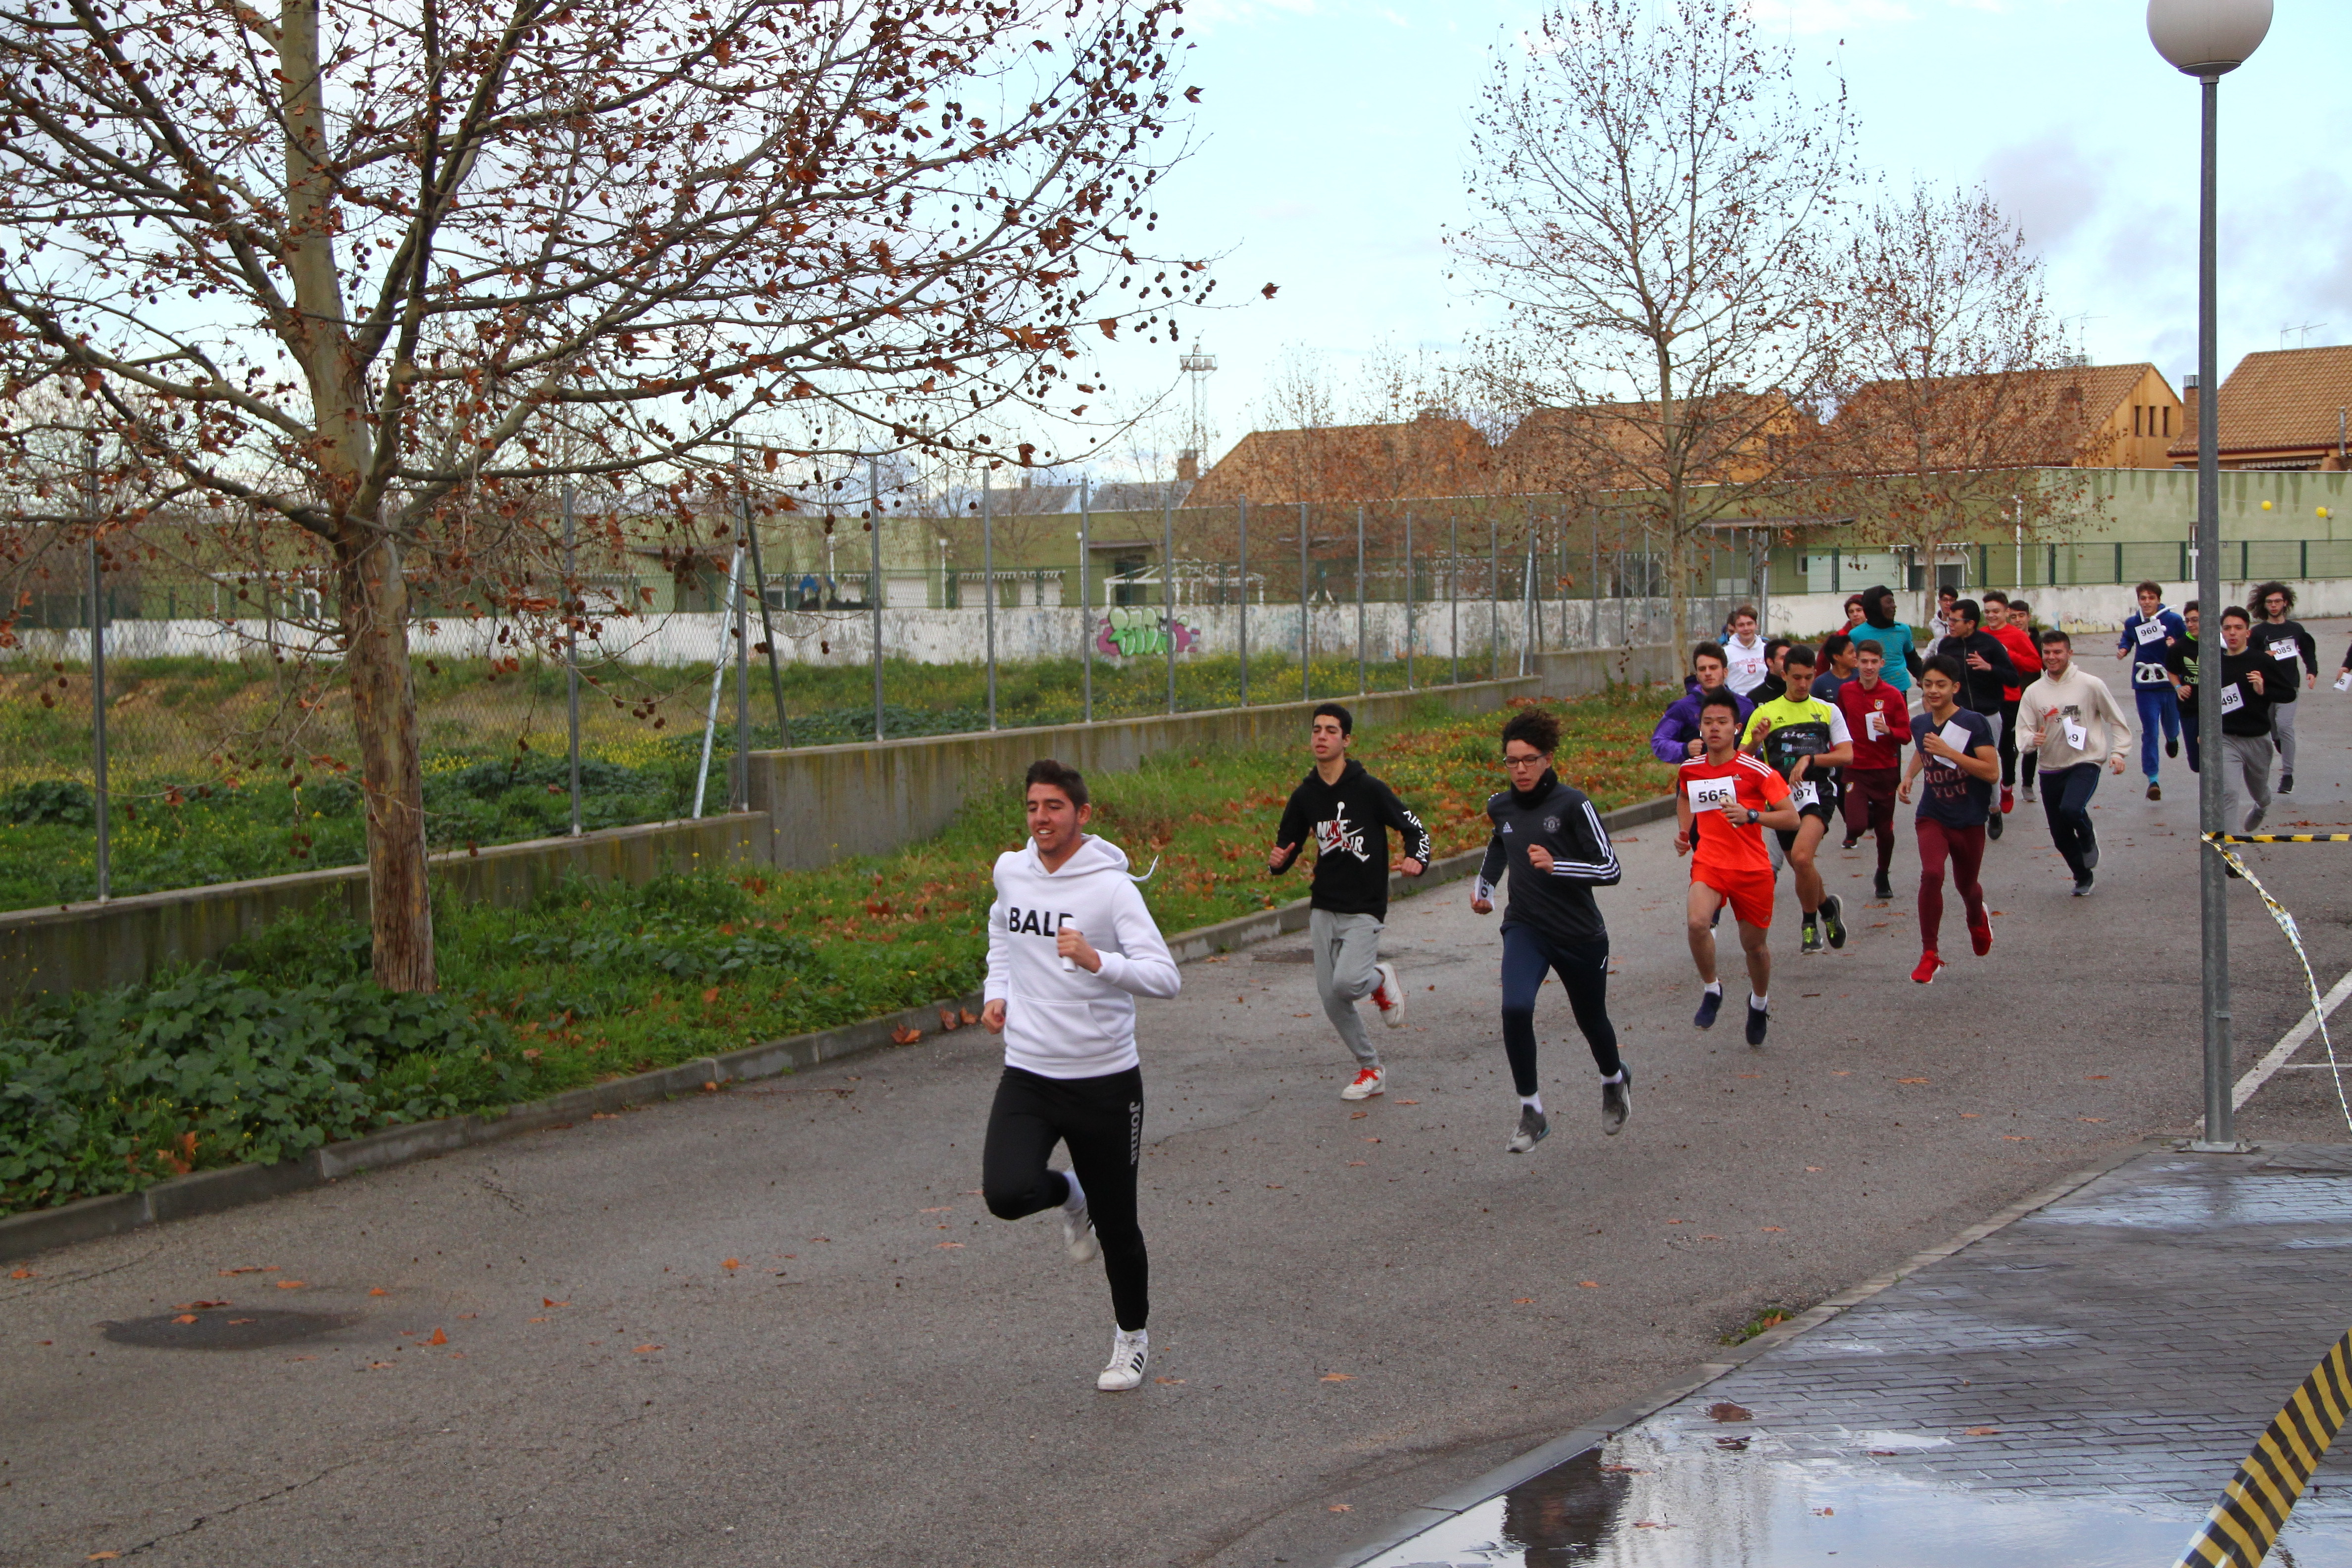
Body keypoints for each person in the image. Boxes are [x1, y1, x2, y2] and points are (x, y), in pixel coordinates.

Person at [982, 760, 1181, 1392]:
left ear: (1082, 814)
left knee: (1119, 1227)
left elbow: (1165, 977)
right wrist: (996, 991)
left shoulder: (1112, 889)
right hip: (1029, 1073)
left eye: (1055, 807)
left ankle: (1132, 1338)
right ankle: (1072, 1196)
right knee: (1006, 1194)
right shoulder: (1011, 871)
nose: (1041, 818)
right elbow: (1000, 929)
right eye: (1033, 807)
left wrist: (1100, 962)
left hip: (1104, 1082)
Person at [1470, 708, 1630, 1152]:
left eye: (1529, 760)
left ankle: (1614, 1079)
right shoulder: (1500, 806)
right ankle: (1532, 1110)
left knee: (1591, 1020)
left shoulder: (1574, 804)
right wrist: (1485, 887)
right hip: (1526, 927)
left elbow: (1611, 868)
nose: (1520, 769)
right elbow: (1501, 842)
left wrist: (1559, 866)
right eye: (1512, 761)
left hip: (1579, 933)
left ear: (1548, 759)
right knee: (1516, 1008)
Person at [1268, 702, 1431, 1100]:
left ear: (1346, 740)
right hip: (1324, 905)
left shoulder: (1369, 789)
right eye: (1316, 730)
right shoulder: (1305, 796)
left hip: (1364, 905)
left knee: (1348, 982)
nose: (1322, 737)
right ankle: (1371, 1068)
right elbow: (1287, 846)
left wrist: (1417, 858)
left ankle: (1380, 978)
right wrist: (1278, 862)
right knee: (1331, 997)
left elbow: (1415, 829)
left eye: (1331, 730)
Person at [1675, 688, 1799, 1045]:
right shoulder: (1691, 769)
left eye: (1722, 722)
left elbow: (1791, 818)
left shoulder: (1756, 770)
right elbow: (1684, 796)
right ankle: (1712, 989)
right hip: (1710, 863)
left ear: (1737, 728)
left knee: (1754, 948)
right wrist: (1684, 832)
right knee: (1698, 923)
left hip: (1751, 870)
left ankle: (1759, 1003)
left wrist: (1752, 815)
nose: (1714, 728)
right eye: (1708, 722)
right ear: (1700, 727)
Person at [1743, 644, 1854, 956]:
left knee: (1803, 859)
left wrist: (1811, 759)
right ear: (1784, 675)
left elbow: (1847, 754)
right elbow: (1740, 761)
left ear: (1814, 675)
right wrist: (1756, 741)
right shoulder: (1764, 713)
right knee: (1801, 867)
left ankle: (1809, 925)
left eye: (1808, 677)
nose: (1803, 684)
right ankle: (1827, 908)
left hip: (1818, 793)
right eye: (1796, 678)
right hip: (1781, 800)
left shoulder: (1827, 710)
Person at [1899, 655, 1999, 983]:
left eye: (1941, 685)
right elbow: (1923, 749)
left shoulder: (1974, 723)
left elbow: (1992, 772)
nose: (1933, 691)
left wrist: (1950, 752)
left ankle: (1976, 917)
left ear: (1955, 687)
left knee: (1967, 886)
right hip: (1934, 814)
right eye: (1928, 684)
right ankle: (1930, 954)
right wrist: (1909, 776)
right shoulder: (1920, 723)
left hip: (1969, 817)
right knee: (1931, 874)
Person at [2013, 630, 2132, 895]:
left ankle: (2087, 835)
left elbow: (2116, 719)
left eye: (2058, 652)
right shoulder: (2034, 692)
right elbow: (2023, 731)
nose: (2052, 657)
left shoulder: (2090, 685)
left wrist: (2119, 753)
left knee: (2071, 808)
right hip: (2051, 767)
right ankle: (2083, 876)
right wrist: (2033, 739)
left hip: (2085, 760)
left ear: (2070, 653)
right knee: (2060, 834)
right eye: (2047, 652)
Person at [1930, 599, 2017, 839]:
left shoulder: (1989, 644)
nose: (1950, 624)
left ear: (1970, 623)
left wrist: (1990, 668)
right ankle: (1961, 812)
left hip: (1988, 715)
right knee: (1954, 763)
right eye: (1949, 619)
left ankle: (1994, 809)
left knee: (1986, 765)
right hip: (1957, 715)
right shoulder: (1946, 645)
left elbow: (2012, 678)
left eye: (1955, 620)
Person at [1833, 639, 1912, 900]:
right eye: (1864, 661)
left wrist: (1889, 730)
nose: (1869, 667)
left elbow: (1906, 735)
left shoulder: (1892, 695)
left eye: (1874, 662)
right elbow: (1838, 724)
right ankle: (1863, 808)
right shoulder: (1846, 691)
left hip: (1884, 770)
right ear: (1856, 662)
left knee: (1885, 831)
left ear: (1882, 664)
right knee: (1856, 825)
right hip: (1855, 768)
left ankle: (1883, 873)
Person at [2115, 581, 2187, 801]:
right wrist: (2124, 648)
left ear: (2158, 600)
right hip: (2145, 684)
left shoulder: (2173, 620)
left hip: (2170, 682)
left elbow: (2188, 641)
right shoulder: (2134, 622)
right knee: (2150, 731)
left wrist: (2176, 644)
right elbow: (2128, 636)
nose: (2147, 602)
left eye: (2151, 598)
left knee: (2171, 725)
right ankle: (2153, 779)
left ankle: (2173, 738)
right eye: (2143, 598)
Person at [2213, 607, 2279, 836]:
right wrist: (2203, 731)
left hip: (2257, 738)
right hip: (2227, 738)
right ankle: (2231, 850)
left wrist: (2263, 689)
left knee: (2259, 790)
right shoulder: (2215, 664)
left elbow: (2288, 693)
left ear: (2248, 633)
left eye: (2238, 628)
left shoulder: (2261, 660)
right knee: (2229, 793)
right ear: (2222, 633)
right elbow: (2204, 701)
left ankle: (2263, 805)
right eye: (2228, 628)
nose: (2233, 633)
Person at [2251, 582, 2319, 795]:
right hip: (2265, 688)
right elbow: (2248, 657)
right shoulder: (2258, 632)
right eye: (2269, 602)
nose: (2274, 605)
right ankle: (2278, 739)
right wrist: (2263, 656)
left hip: (2289, 685)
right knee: (2272, 727)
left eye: (2278, 601)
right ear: (2264, 605)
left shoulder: (2295, 629)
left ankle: (2288, 776)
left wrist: (2312, 670)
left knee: (2284, 725)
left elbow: (2308, 649)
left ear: (2286, 603)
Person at [1982, 591, 2043, 818]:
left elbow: (2035, 663)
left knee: (2006, 748)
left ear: (2006, 612)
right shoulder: (1981, 635)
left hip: (2009, 698)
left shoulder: (2016, 636)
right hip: (1983, 698)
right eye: (1987, 612)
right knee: (1980, 747)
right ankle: (1984, 794)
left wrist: (2010, 654)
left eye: (1996, 611)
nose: (1991, 616)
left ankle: (2007, 785)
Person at [1650, 642, 1755, 764]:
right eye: (1702, 669)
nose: (1708, 673)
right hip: (1696, 773)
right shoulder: (1682, 708)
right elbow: (1659, 742)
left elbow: (1758, 744)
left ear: (1725, 672)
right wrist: (1685, 749)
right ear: (1697, 675)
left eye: (1713, 668)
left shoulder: (1745, 706)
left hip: (1737, 772)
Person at [1848, 585, 1922, 695]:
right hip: (1870, 690)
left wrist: (1922, 677)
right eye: (1889, 602)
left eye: (1894, 602)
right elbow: (1850, 665)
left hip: (1899, 690)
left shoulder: (1903, 630)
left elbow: (1911, 657)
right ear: (1875, 606)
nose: (1894, 606)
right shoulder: (1856, 635)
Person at [2007, 598, 2043, 800]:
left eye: (2022, 616)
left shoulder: (2039, 641)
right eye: (2013, 617)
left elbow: (2047, 667)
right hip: (2010, 698)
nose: (2018, 620)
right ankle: (2008, 783)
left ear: (2029, 617)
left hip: (2032, 698)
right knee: (2010, 744)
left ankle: (2028, 785)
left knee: (2031, 743)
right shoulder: (2005, 640)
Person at [1721, 607, 1772, 696]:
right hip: (1738, 701)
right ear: (1735, 628)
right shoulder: (1725, 652)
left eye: (1750, 624)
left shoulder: (1767, 650)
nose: (1746, 628)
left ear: (1756, 625)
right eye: (1741, 625)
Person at [1812, 632, 1858, 705]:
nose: (1855, 655)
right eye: (1851, 652)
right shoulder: (1820, 683)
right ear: (1836, 657)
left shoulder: (1861, 678)